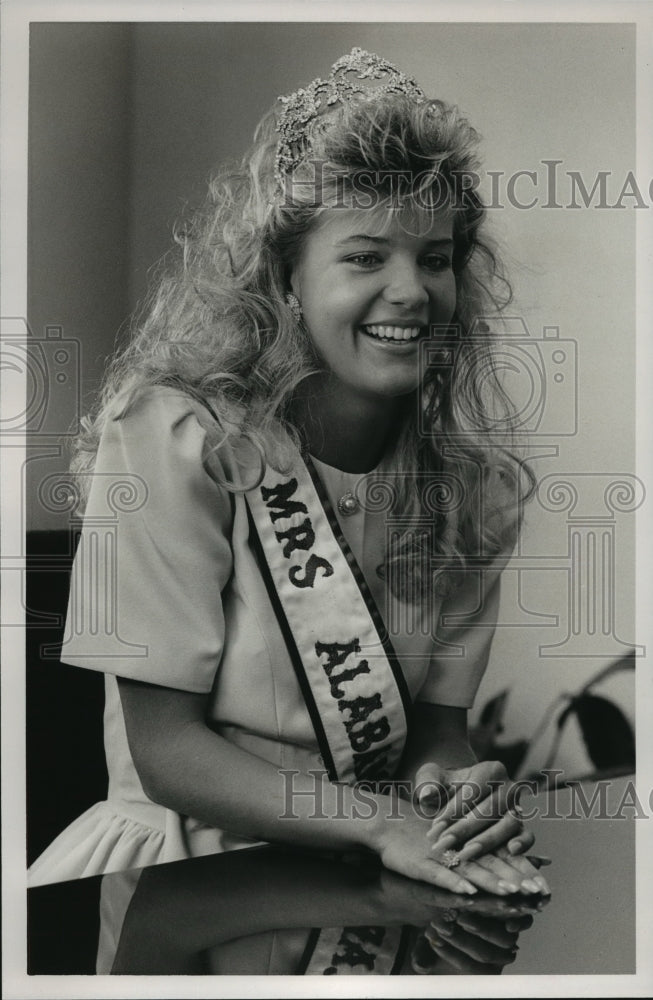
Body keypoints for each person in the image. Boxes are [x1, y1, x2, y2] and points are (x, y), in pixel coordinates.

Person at [29, 47, 548, 897]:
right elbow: (168, 756)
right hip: (177, 877)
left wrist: (448, 792)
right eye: (363, 256)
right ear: (285, 280)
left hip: (360, 877)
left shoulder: (471, 491)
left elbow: (435, 736)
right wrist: (381, 821)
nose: (411, 290)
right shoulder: (175, 439)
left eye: (434, 256)